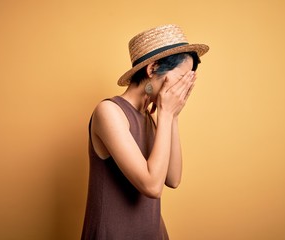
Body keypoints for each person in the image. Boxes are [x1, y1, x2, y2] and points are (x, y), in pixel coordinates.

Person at [81, 24, 209, 239]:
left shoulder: (152, 118)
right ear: (152, 69)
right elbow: (151, 186)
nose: (183, 88)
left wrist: (173, 116)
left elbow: (173, 178)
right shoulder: (109, 112)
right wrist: (167, 114)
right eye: (181, 78)